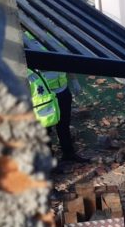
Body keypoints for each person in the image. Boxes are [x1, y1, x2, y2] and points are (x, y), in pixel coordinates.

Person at [24, 33, 89, 165]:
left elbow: (67, 61)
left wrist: (74, 80)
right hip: (45, 96)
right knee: (45, 129)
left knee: (64, 124)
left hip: (62, 90)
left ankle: (68, 153)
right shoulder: (26, 40)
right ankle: (50, 162)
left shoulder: (54, 36)